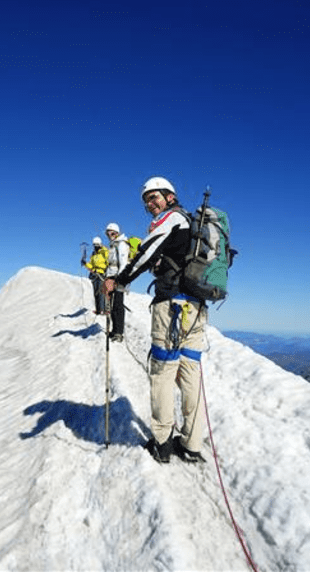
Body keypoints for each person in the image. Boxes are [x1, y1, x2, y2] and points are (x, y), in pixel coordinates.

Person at [104, 176, 208, 464]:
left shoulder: (171, 219)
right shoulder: (192, 225)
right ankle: (191, 443)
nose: (150, 204)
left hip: (171, 308)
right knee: (190, 375)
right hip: (196, 308)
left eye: (154, 197)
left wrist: (119, 281)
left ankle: (162, 442)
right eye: (147, 200)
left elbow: (144, 253)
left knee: (162, 374)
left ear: (170, 196)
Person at [103, 222, 130, 342]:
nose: (110, 235)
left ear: (117, 233)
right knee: (113, 305)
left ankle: (119, 333)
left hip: (119, 279)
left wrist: (119, 280)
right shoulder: (113, 246)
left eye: (112, 232)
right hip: (112, 277)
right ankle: (114, 331)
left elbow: (123, 263)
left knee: (118, 305)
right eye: (108, 233)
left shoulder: (121, 244)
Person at [82, 237, 108, 314]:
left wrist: (105, 269)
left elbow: (108, 262)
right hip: (94, 274)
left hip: (101, 273)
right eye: (94, 245)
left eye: (97, 244)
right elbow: (92, 265)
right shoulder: (93, 254)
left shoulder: (104, 251)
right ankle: (98, 309)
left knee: (101, 292)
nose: (96, 246)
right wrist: (85, 263)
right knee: (96, 292)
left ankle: (103, 309)